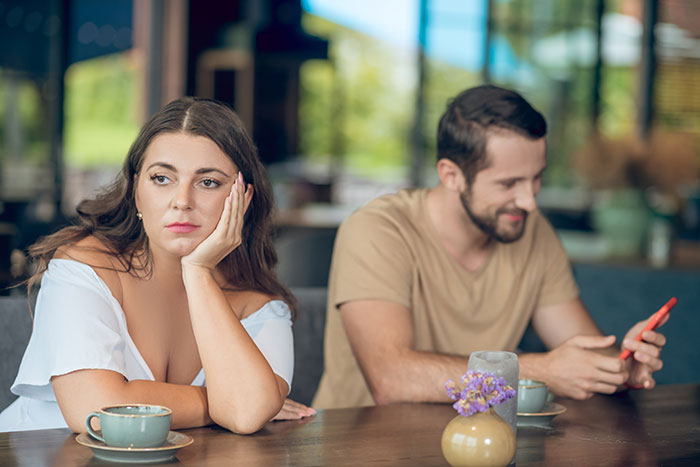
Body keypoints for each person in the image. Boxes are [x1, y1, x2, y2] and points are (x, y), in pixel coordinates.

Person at [313, 85, 667, 409]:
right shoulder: (378, 230)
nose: (529, 201)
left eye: (536, 178)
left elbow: (583, 358)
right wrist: (542, 369)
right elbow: (392, 380)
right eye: (509, 183)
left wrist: (622, 368)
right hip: (361, 450)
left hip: (482, 447)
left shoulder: (532, 231)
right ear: (451, 175)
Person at [0, 97, 314, 433]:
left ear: (244, 199)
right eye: (162, 178)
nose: (182, 202)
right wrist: (221, 400)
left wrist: (198, 272)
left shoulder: (260, 307)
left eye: (208, 182)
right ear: (136, 191)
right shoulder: (84, 268)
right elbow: (94, 411)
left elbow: (246, 413)